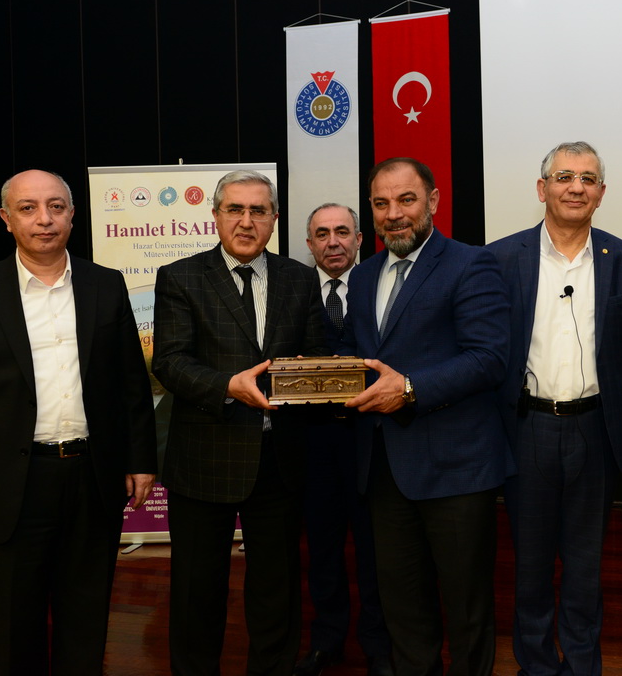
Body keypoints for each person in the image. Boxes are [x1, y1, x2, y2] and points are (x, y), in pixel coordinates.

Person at [0, 169, 158, 675]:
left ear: (72, 215)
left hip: (92, 478)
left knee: (86, 622)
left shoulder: (106, 284)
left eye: (56, 207)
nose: (44, 219)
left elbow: (131, 383)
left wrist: (141, 459)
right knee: (14, 629)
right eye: (28, 208)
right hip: (9, 486)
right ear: (6, 219)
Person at [152, 170, 329, 675]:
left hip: (279, 460)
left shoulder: (299, 278)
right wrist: (228, 386)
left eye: (258, 211)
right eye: (235, 209)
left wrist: (315, 377)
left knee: (277, 590)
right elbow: (170, 362)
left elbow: (315, 354)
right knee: (197, 591)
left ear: (274, 219)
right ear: (215, 216)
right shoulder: (181, 277)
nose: (246, 221)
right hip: (204, 458)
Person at [342, 157, 513, 675]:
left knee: (466, 609)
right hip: (384, 470)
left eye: (406, 200)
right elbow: (360, 359)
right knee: (402, 607)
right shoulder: (362, 275)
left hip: (457, 470)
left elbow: (489, 358)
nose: (393, 214)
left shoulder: (471, 264)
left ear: (433, 201)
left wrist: (410, 388)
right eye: (381, 204)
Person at [486, 142, 622, 676]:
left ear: (601, 192)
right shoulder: (500, 257)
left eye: (588, 179)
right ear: (542, 189)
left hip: (594, 430)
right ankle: (535, 665)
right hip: (527, 428)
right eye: (564, 177)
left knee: (585, 566)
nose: (576, 187)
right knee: (530, 566)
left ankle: (581, 665)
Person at [295, 203, 392, 676]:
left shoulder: (380, 283)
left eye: (341, 232)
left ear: (359, 239)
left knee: (376, 550)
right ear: (309, 244)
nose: (332, 242)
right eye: (322, 234)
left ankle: (378, 645)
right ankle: (327, 639)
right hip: (312, 444)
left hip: (371, 440)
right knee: (322, 549)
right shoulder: (291, 289)